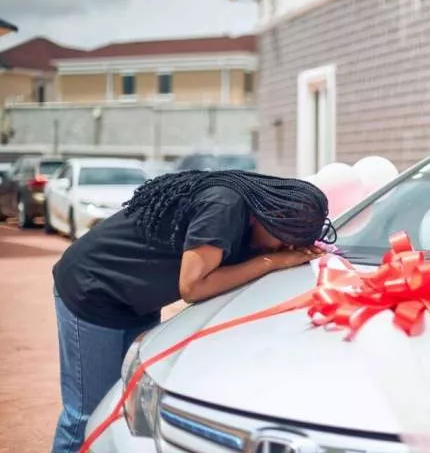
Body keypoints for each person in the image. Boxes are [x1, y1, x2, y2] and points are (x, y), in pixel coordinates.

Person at [50, 169, 335, 452]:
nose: (286, 248)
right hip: (93, 290)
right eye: (285, 240)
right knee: (86, 414)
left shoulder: (251, 218)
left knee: (119, 408)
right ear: (274, 216)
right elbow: (193, 286)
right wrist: (273, 261)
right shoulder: (224, 207)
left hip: (136, 301)